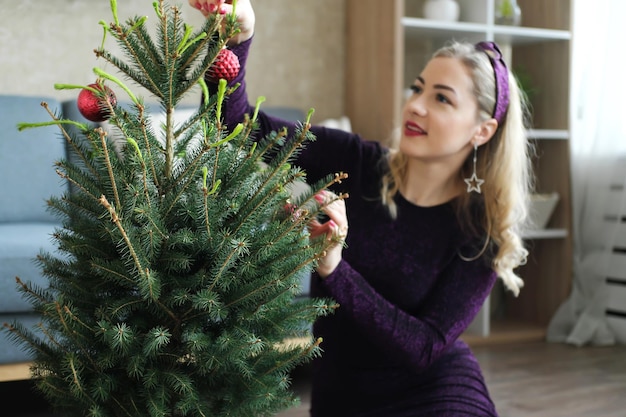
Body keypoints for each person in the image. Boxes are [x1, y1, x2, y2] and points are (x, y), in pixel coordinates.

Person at [190, 1, 533, 416]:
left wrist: (335, 268)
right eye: (418, 87)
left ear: (482, 130)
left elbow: (424, 347)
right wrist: (235, 37)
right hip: (343, 394)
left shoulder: (481, 234)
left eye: (441, 99)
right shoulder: (354, 161)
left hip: (437, 394)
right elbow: (235, 125)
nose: (416, 105)